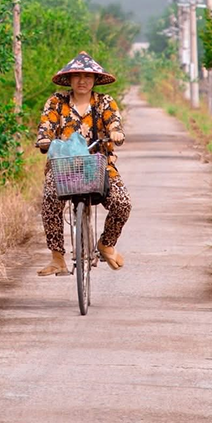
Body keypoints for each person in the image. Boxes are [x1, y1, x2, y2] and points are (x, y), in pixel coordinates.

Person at [35, 51, 132, 276]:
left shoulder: (104, 102)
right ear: (69, 79)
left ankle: (106, 244)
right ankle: (57, 258)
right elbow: (46, 127)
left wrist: (116, 132)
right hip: (64, 166)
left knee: (122, 203)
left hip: (99, 166)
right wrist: (44, 139)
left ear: (95, 80)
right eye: (77, 76)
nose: (82, 81)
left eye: (87, 76)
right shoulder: (56, 102)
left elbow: (114, 122)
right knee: (49, 199)